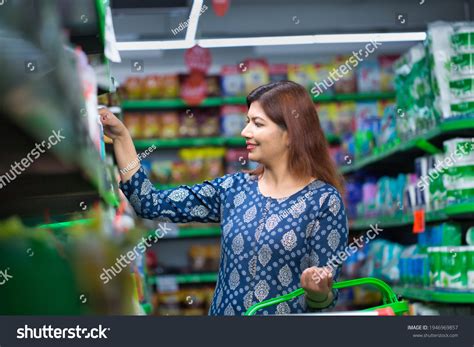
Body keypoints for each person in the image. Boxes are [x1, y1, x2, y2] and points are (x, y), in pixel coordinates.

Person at [100, 80, 348, 315]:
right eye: (247, 121)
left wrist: (317, 292)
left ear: (290, 134)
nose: (245, 131)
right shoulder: (234, 188)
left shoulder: (325, 201)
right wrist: (122, 137)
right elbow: (150, 203)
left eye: (258, 124)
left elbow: (325, 302)